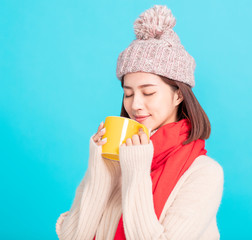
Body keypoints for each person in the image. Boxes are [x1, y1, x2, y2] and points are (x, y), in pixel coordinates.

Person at [56, 5, 224, 240]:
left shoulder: (204, 173)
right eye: (128, 93)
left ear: (178, 95)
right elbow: (71, 237)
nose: (135, 105)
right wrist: (102, 170)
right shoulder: (116, 160)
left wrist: (137, 171)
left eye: (148, 92)